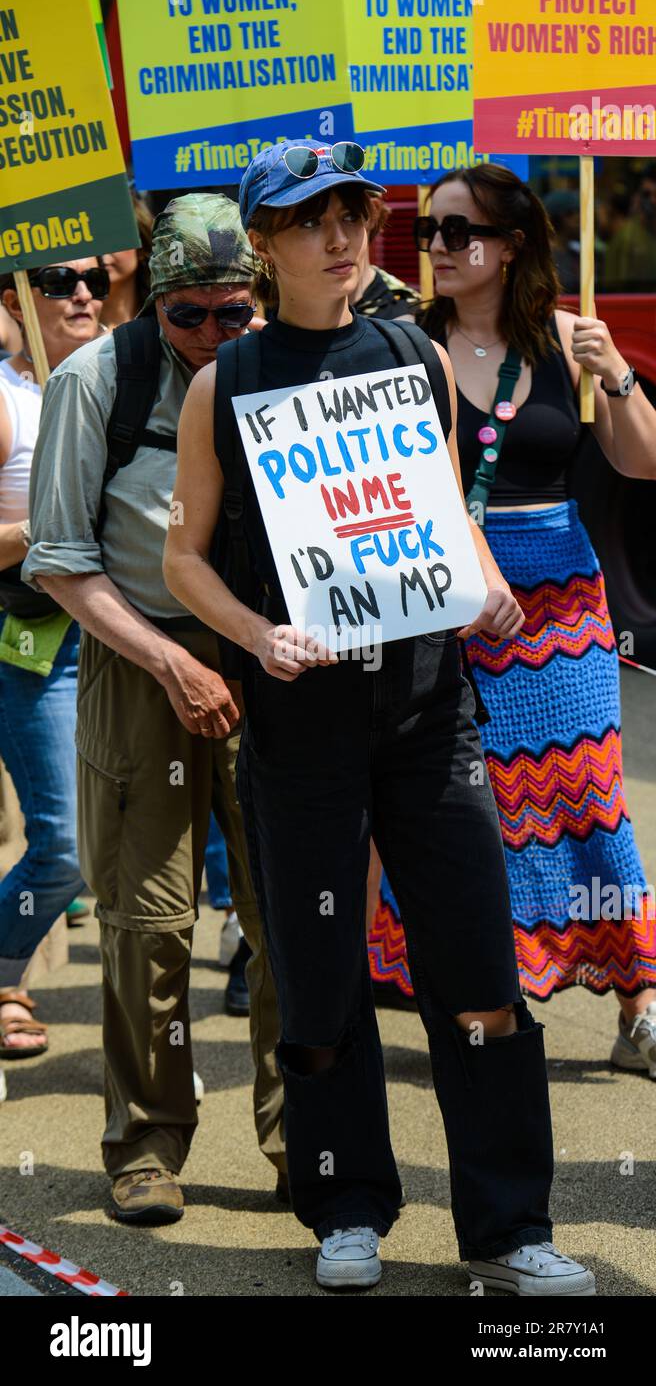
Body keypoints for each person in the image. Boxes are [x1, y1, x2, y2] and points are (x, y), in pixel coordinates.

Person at [164, 138, 595, 1296]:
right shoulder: (227, 382)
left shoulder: (410, 352)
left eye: (353, 213)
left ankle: (508, 1228)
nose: (342, 236)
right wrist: (256, 636)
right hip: (298, 733)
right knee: (316, 974)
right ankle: (345, 1206)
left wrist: (481, 580)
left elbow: (445, 507)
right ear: (264, 243)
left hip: (423, 719)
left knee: (474, 972)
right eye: (311, 220)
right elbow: (182, 559)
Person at [23, 195, 285, 1223]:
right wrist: (169, 662)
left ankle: (300, 1139)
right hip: (141, 660)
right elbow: (58, 559)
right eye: (193, 318)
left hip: (273, 660)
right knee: (147, 921)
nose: (218, 336)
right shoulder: (96, 381)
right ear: (152, 304)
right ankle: (144, 1142)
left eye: (237, 313)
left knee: (285, 915)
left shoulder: (284, 369)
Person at [369, 164, 656, 1076]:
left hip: (562, 603)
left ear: (513, 243)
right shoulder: (404, 343)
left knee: (587, 796)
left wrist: (614, 377)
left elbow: (643, 463)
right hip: (442, 596)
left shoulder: (568, 340)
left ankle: (639, 998)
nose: (442, 250)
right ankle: (480, 991)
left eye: (462, 233)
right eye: (432, 235)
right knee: (459, 801)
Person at [0, 259, 109, 1057]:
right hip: (39, 645)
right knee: (64, 843)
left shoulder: (131, 373)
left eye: (96, 280)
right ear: (15, 303)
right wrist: (49, 534)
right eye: (59, 279)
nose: (83, 294)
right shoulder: (6, 401)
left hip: (134, 638)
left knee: (114, 845)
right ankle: (5, 974)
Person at [350, 197, 420, 321]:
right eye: (311, 222)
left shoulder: (404, 311)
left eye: (350, 217)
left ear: (372, 212)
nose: (338, 241)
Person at [100, 191, 154, 330]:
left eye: (114, 238)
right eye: (91, 241)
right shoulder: (67, 332)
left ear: (141, 247)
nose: (101, 252)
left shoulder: (167, 320)